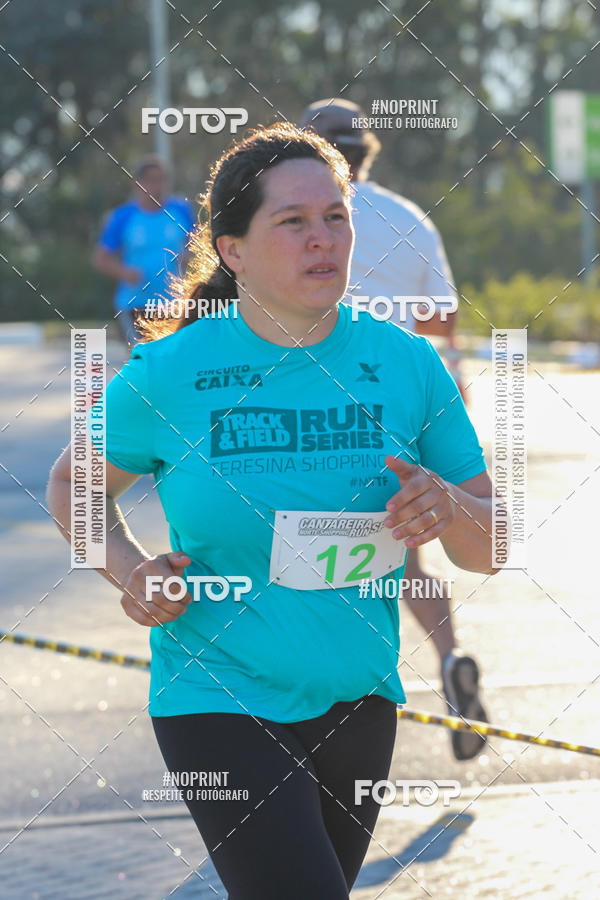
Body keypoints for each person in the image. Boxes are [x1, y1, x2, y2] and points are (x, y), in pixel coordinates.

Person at [47, 122, 499, 898]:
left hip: (360, 696)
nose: (322, 239)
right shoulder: (175, 370)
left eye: (335, 217)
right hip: (216, 693)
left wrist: (447, 503)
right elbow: (69, 485)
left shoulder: (406, 364)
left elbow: (489, 546)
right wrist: (131, 571)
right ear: (233, 250)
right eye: (291, 222)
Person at [300, 98, 489, 761]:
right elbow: (442, 326)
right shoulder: (410, 219)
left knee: (310, 552)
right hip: (404, 403)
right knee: (407, 553)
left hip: (315, 403)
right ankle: (449, 655)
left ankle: (319, 710)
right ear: (368, 151)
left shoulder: (293, 217)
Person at [92, 154, 195, 346]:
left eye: (161, 180)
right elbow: (101, 259)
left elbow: (198, 245)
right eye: (150, 180)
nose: (156, 186)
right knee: (141, 362)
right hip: (135, 303)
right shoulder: (123, 216)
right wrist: (124, 272)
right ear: (138, 184)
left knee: (172, 360)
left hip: (173, 302)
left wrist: (188, 257)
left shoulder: (180, 210)